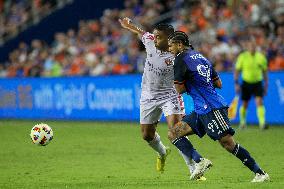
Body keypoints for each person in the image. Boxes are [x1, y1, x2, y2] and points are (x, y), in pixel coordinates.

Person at [168, 31, 270, 182]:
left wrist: (186, 83)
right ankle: (200, 161)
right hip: (201, 109)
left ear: (179, 45)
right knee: (174, 134)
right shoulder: (201, 57)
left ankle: (260, 173)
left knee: (227, 143)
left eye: (170, 45)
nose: (169, 49)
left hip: (212, 107)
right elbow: (219, 84)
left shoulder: (180, 59)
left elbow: (180, 89)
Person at [119, 17, 210, 180]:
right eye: (154, 36)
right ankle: (162, 152)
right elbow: (141, 33)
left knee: (176, 130)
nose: (154, 39)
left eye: (158, 37)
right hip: (148, 96)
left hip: (170, 96)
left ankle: (194, 168)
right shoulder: (149, 41)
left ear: (169, 39)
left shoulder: (178, 56)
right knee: (147, 135)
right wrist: (129, 25)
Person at [234, 39, 268, 130]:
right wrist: (236, 83)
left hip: (258, 83)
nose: (252, 48)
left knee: (259, 102)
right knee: (245, 103)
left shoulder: (261, 57)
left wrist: (266, 84)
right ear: (247, 47)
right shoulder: (242, 57)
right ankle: (242, 122)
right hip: (246, 83)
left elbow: (265, 72)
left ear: (256, 47)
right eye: (250, 46)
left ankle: (262, 123)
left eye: (253, 46)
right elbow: (237, 70)